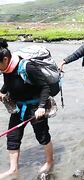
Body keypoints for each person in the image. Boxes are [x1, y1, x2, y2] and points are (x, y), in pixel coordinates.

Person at [0, 39, 54, 179]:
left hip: (36, 106)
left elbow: (45, 87)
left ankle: (49, 162)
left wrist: (41, 107)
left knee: (42, 136)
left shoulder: (28, 67)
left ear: (5, 59)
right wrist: (2, 92)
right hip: (18, 107)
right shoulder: (6, 68)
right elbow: (8, 82)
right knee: (12, 137)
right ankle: (13, 169)